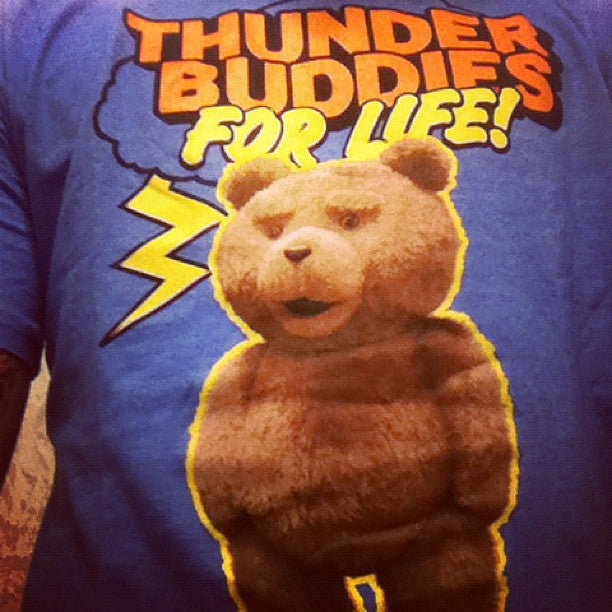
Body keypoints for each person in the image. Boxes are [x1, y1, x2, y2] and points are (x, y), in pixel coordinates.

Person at [0, 0, 609, 610]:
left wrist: (478, 498)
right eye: (274, 231)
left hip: (433, 535)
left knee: (449, 576)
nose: (296, 248)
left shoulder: (588, 20)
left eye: (349, 221)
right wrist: (229, 512)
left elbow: (474, 410)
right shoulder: (35, 34)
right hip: (272, 549)